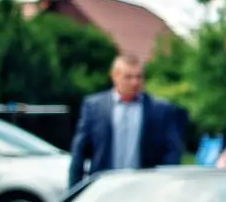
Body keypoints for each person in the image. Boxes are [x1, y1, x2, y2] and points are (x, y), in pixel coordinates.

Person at [68, 54, 184, 187]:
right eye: (128, 77)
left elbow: (171, 152)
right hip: (103, 188)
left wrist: (167, 186)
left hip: (145, 188)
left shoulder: (160, 110)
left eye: (139, 77)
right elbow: (79, 151)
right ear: (114, 76)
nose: (135, 82)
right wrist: (74, 190)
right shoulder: (95, 107)